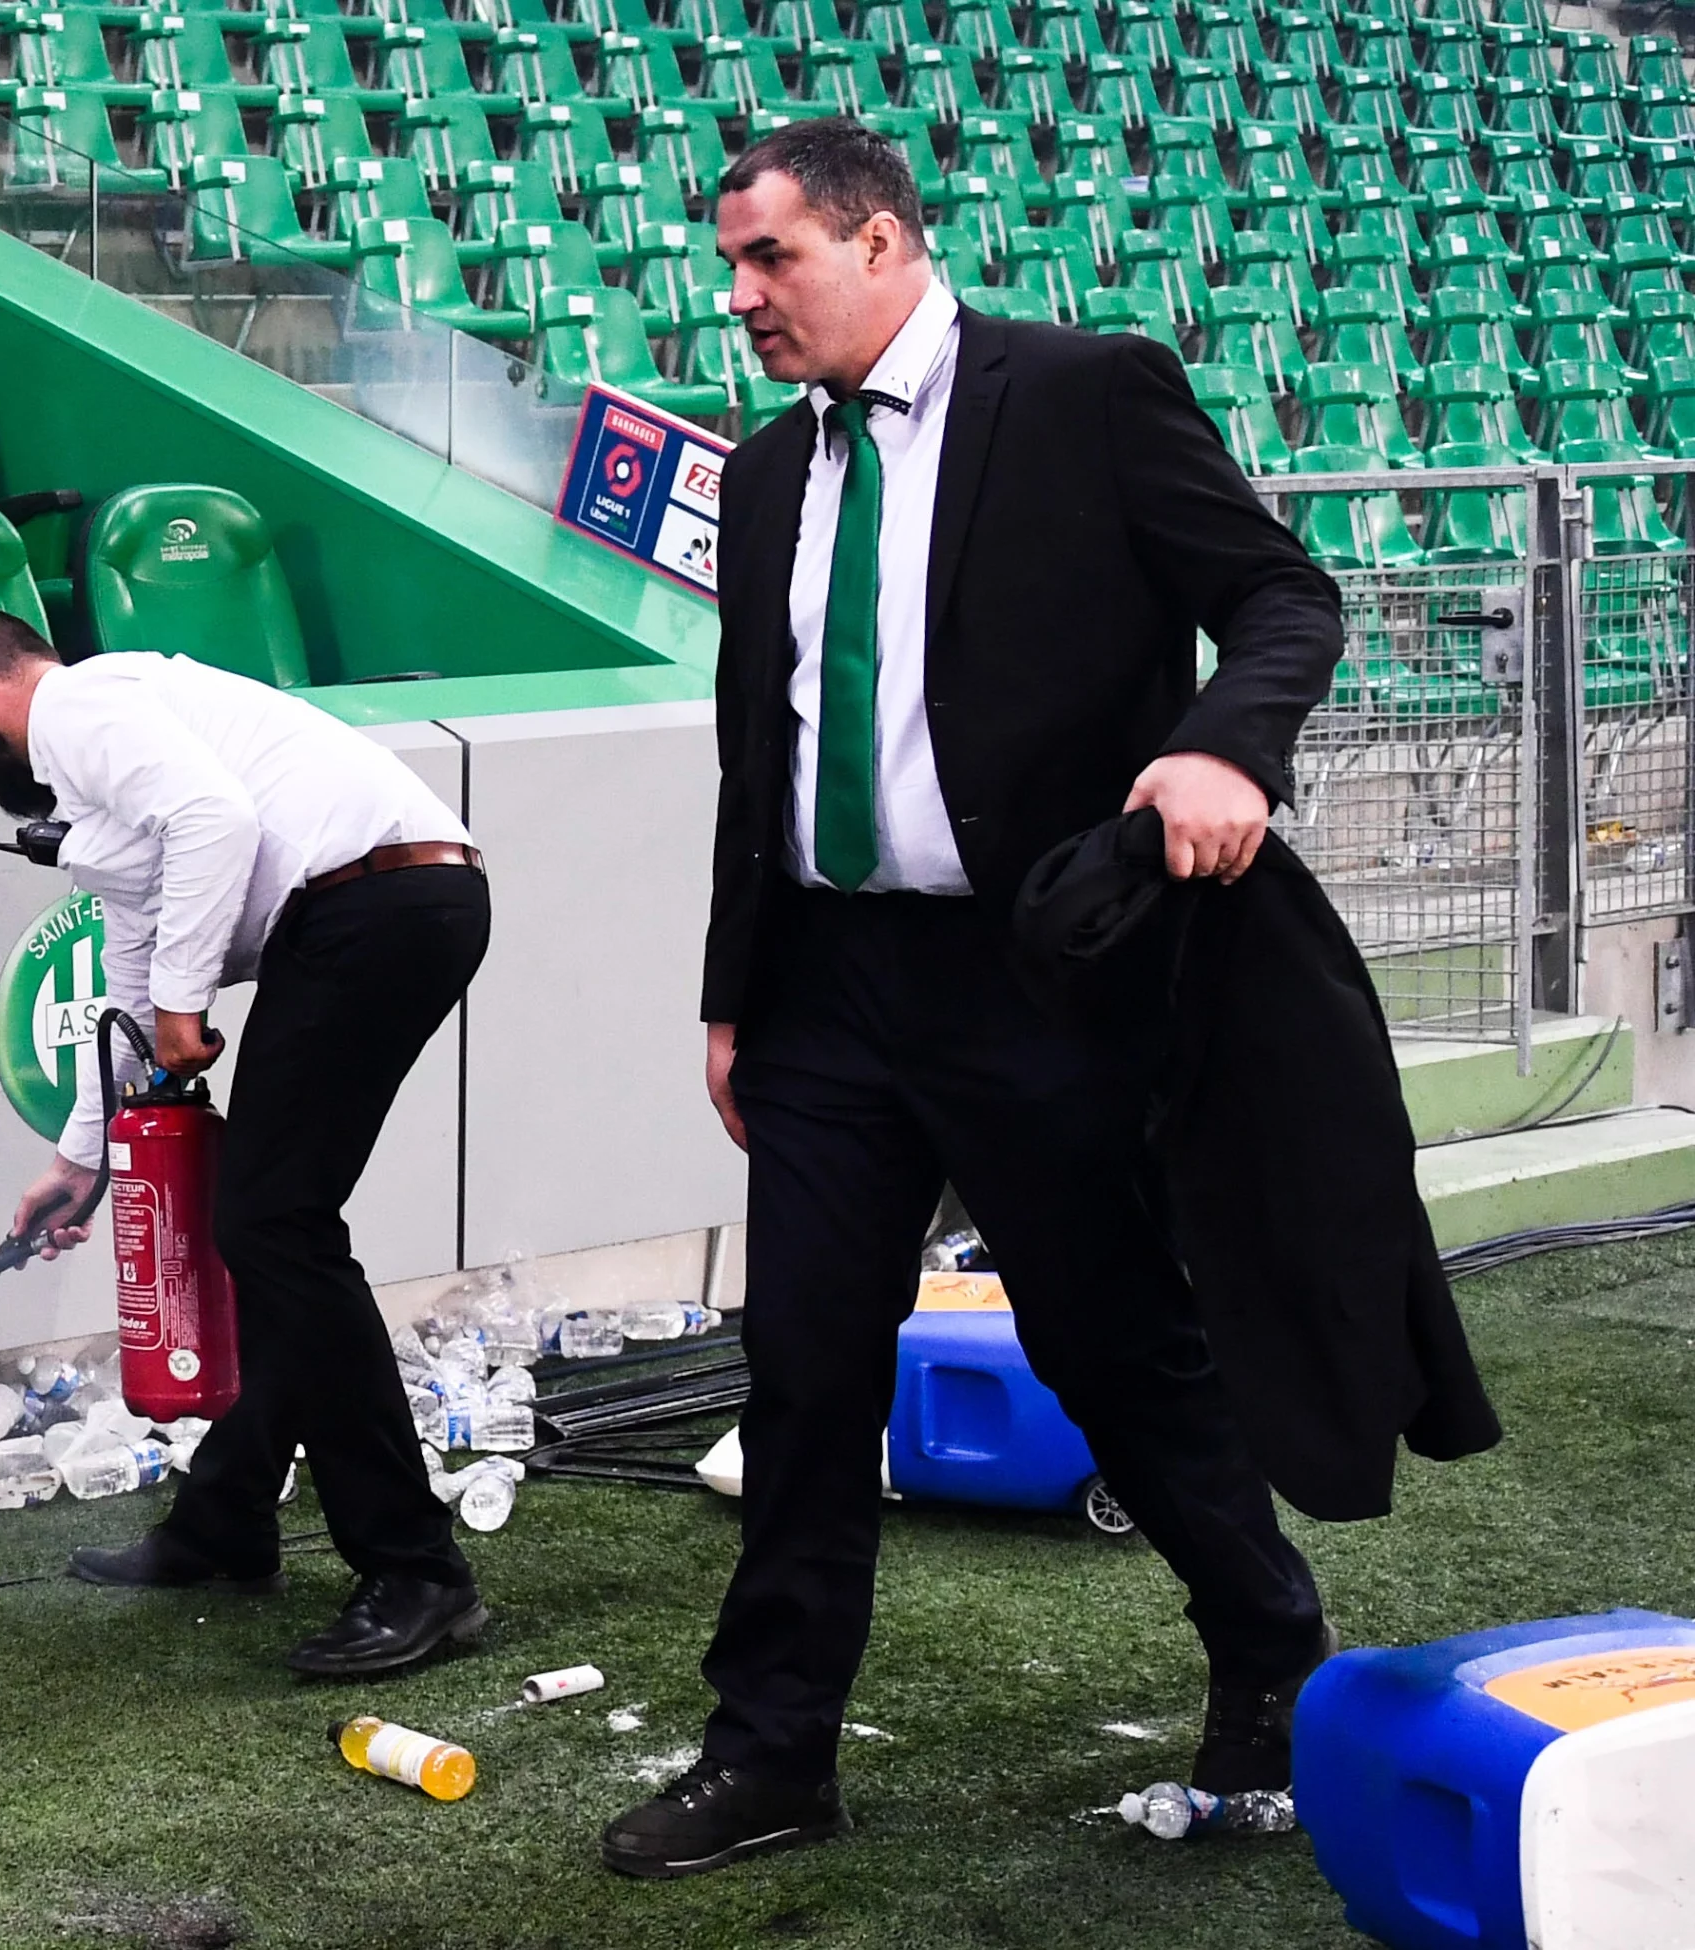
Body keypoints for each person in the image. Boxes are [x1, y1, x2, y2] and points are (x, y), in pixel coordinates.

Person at [599, 120, 1348, 1879]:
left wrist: (1216, 749)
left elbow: (1278, 596)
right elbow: (759, 753)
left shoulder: (1086, 393)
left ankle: (1265, 1643)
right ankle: (773, 1749)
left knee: (1112, 1346)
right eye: (730, 264)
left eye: (770, 258)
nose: (741, 297)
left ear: (882, 242)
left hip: (1032, 980)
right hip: (827, 992)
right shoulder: (771, 467)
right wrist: (733, 994)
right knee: (799, 1363)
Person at [0, 606, 494, 1676]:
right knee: (266, 1231)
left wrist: (186, 1005)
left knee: (274, 1226)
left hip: (377, 904)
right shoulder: (107, 769)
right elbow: (137, 971)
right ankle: (225, 1517)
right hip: (389, 905)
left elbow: (216, 826)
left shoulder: (77, 708)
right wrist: (81, 1161)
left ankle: (418, 1573)